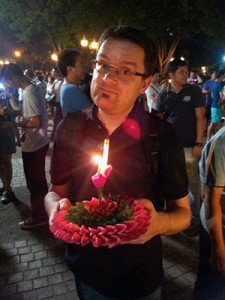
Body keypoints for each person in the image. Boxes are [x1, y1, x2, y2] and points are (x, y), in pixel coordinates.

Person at [45, 26, 190, 300]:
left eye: (124, 71)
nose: (107, 78)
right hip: (86, 271)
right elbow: (56, 191)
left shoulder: (161, 136)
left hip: (139, 276)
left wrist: (158, 224)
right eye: (102, 65)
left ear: (145, 83)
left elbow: (182, 213)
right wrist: (55, 210)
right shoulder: (70, 128)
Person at [156, 59, 205, 225]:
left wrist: (198, 143)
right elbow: (158, 120)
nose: (186, 75)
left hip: (189, 145)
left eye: (186, 71)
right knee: (171, 179)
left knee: (192, 181)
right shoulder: (163, 94)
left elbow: (200, 117)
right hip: (169, 147)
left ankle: (194, 216)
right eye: (181, 72)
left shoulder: (194, 91)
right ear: (171, 75)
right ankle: (174, 213)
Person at [1, 63, 49, 230]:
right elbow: (26, 113)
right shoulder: (28, 90)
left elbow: (35, 121)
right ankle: (43, 212)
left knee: (35, 184)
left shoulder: (30, 92)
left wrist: (15, 123)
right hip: (36, 142)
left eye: (7, 82)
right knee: (37, 183)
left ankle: (39, 217)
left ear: (15, 78)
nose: (8, 85)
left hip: (35, 144)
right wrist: (15, 113)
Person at [192, 126, 225, 300]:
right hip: (218, 229)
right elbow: (211, 199)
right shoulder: (222, 143)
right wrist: (218, 249)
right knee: (212, 286)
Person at [57, 48, 92, 118]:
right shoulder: (72, 90)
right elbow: (97, 116)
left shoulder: (65, 87)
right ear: (70, 69)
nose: (84, 68)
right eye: (81, 65)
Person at [0, 78, 17, 204]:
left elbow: (17, 110)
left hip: (5, 133)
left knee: (6, 162)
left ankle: (8, 189)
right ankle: (5, 185)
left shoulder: (7, 92)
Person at [206, 69, 225, 141]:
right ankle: (208, 139)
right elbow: (222, 96)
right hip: (217, 106)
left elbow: (211, 95)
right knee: (213, 123)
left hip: (213, 105)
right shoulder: (219, 85)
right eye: (223, 75)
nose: (224, 77)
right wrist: (222, 103)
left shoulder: (214, 83)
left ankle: (213, 137)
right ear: (221, 76)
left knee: (214, 123)